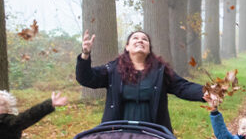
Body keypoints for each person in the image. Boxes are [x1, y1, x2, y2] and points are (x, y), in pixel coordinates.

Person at [75, 30, 205, 131]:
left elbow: (183, 87)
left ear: (149, 48)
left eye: (145, 39)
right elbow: (87, 78)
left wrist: (207, 92)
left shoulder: (160, 71)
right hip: (118, 135)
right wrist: (85, 55)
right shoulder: (113, 69)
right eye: (135, 38)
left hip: (153, 134)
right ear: (127, 47)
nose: (140, 41)